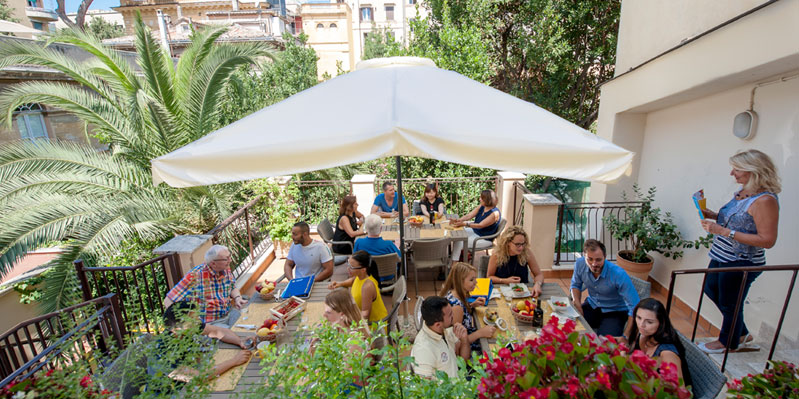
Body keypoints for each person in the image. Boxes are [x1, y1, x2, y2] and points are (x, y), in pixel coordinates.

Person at [698, 149, 780, 354]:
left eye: (737, 169)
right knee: (711, 289)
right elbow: (739, 222)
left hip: (742, 260)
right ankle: (741, 333)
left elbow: (767, 240)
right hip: (721, 255)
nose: (732, 173)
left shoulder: (764, 201)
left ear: (754, 170)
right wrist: (714, 216)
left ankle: (728, 342)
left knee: (730, 301)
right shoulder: (743, 193)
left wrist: (724, 231)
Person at [147, 301, 251, 392]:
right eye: (194, 319)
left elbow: (218, 332)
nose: (198, 321)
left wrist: (239, 341)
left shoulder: (188, 327)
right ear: (178, 328)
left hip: (189, 384)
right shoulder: (163, 352)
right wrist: (234, 361)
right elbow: (199, 377)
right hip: (172, 394)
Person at [570, 239, 640, 337]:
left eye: (598, 260)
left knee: (605, 344)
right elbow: (575, 285)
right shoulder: (580, 264)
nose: (594, 264)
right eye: (590, 259)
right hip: (592, 305)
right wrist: (577, 303)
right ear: (584, 256)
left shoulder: (618, 274)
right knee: (568, 327)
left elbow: (635, 306)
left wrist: (626, 336)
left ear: (605, 257)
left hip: (615, 312)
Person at [164, 245, 246, 327]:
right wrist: (185, 323)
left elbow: (232, 287)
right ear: (213, 263)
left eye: (229, 257)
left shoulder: (225, 269)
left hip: (229, 313)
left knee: (249, 322)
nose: (230, 260)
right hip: (211, 323)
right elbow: (168, 300)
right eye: (226, 259)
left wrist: (237, 298)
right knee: (236, 335)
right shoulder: (195, 275)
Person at [628, 298, 692, 387]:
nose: (641, 324)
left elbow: (679, 390)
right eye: (639, 317)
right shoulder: (644, 333)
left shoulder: (667, 354)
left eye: (649, 322)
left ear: (661, 323)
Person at [439, 262, 496, 351]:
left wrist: (471, 305)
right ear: (460, 282)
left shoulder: (453, 293)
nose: (476, 282)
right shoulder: (457, 308)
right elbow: (456, 343)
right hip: (464, 347)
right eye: (471, 280)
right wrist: (480, 333)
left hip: (466, 335)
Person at [411, 296, 470, 379]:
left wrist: (464, 339)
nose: (453, 316)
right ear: (438, 324)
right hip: (450, 391)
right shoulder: (424, 349)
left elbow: (463, 362)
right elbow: (424, 387)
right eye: (450, 315)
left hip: (459, 380)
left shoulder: (446, 329)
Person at [328, 250, 388, 323]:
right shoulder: (360, 276)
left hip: (375, 325)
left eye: (351, 267)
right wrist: (340, 284)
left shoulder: (367, 286)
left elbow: (365, 314)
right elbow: (352, 281)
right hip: (358, 314)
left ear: (363, 269)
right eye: (348, 264)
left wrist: (349, 322)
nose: (348, 268)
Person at [487, 226, 545, 297]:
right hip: (501, 293)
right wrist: (504, 280)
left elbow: (539, 274)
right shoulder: (497, 254)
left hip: (523, 293)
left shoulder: (526, 253)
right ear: (508, 242)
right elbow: (489, 277)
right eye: (517, 244)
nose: (521, 247)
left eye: (523, 244)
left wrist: (537, 284)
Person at [450, 189, 502, 262]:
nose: (479, 199)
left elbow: (480, 225)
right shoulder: (482, 206)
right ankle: (457, 258)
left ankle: (454, 263)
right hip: (475, 232)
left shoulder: (494, 213)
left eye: (481, 198)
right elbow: (469, 215)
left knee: (459, 241)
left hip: (483, 238)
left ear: (487, 200)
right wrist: (459, 220)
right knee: (457, 234)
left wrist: (465, 224)